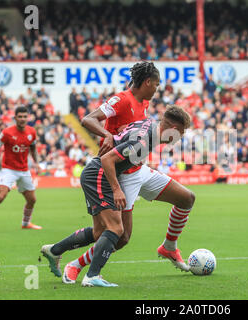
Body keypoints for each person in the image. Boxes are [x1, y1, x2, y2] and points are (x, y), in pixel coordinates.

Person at [57, 61, 195, 284]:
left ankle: (169, 247)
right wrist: (108, 135)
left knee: (187, 198)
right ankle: (77, 265)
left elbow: (139, 137)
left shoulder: (144, 104)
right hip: (119, 173)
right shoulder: (122, 100)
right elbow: (88, 119)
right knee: (119, 236)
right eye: (157, 84)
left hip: (138, 168)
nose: (158, 88)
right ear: (147, 82)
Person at [0, 106, 42, 234]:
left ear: (28, 117)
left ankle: (25, 223)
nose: (23, 119)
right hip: (8, 169)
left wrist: (37, 163)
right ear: (15, 118)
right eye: (20, 117)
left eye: (25, 116)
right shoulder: (7, 132)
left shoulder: (32, 132)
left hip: (24, 170)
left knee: (32, 200)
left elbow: (33, 148)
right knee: (1, 195)